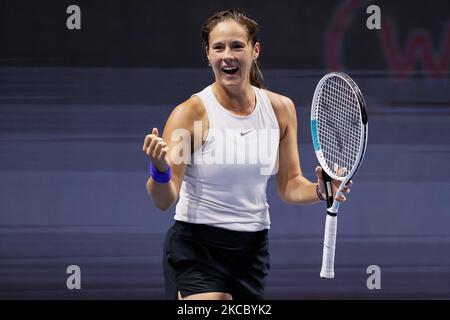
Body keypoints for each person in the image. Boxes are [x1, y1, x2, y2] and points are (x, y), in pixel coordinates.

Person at [142, 9, 352, 300]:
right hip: (197, 247)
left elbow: (290, 184)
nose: (227, 55)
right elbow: (163, 200)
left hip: (251, 252)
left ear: (255, 51)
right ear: (208, 55)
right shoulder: (190, 114)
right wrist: (160, 168)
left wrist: (319, 190)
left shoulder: (281, 110)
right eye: (218, 47)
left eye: (237, 46)